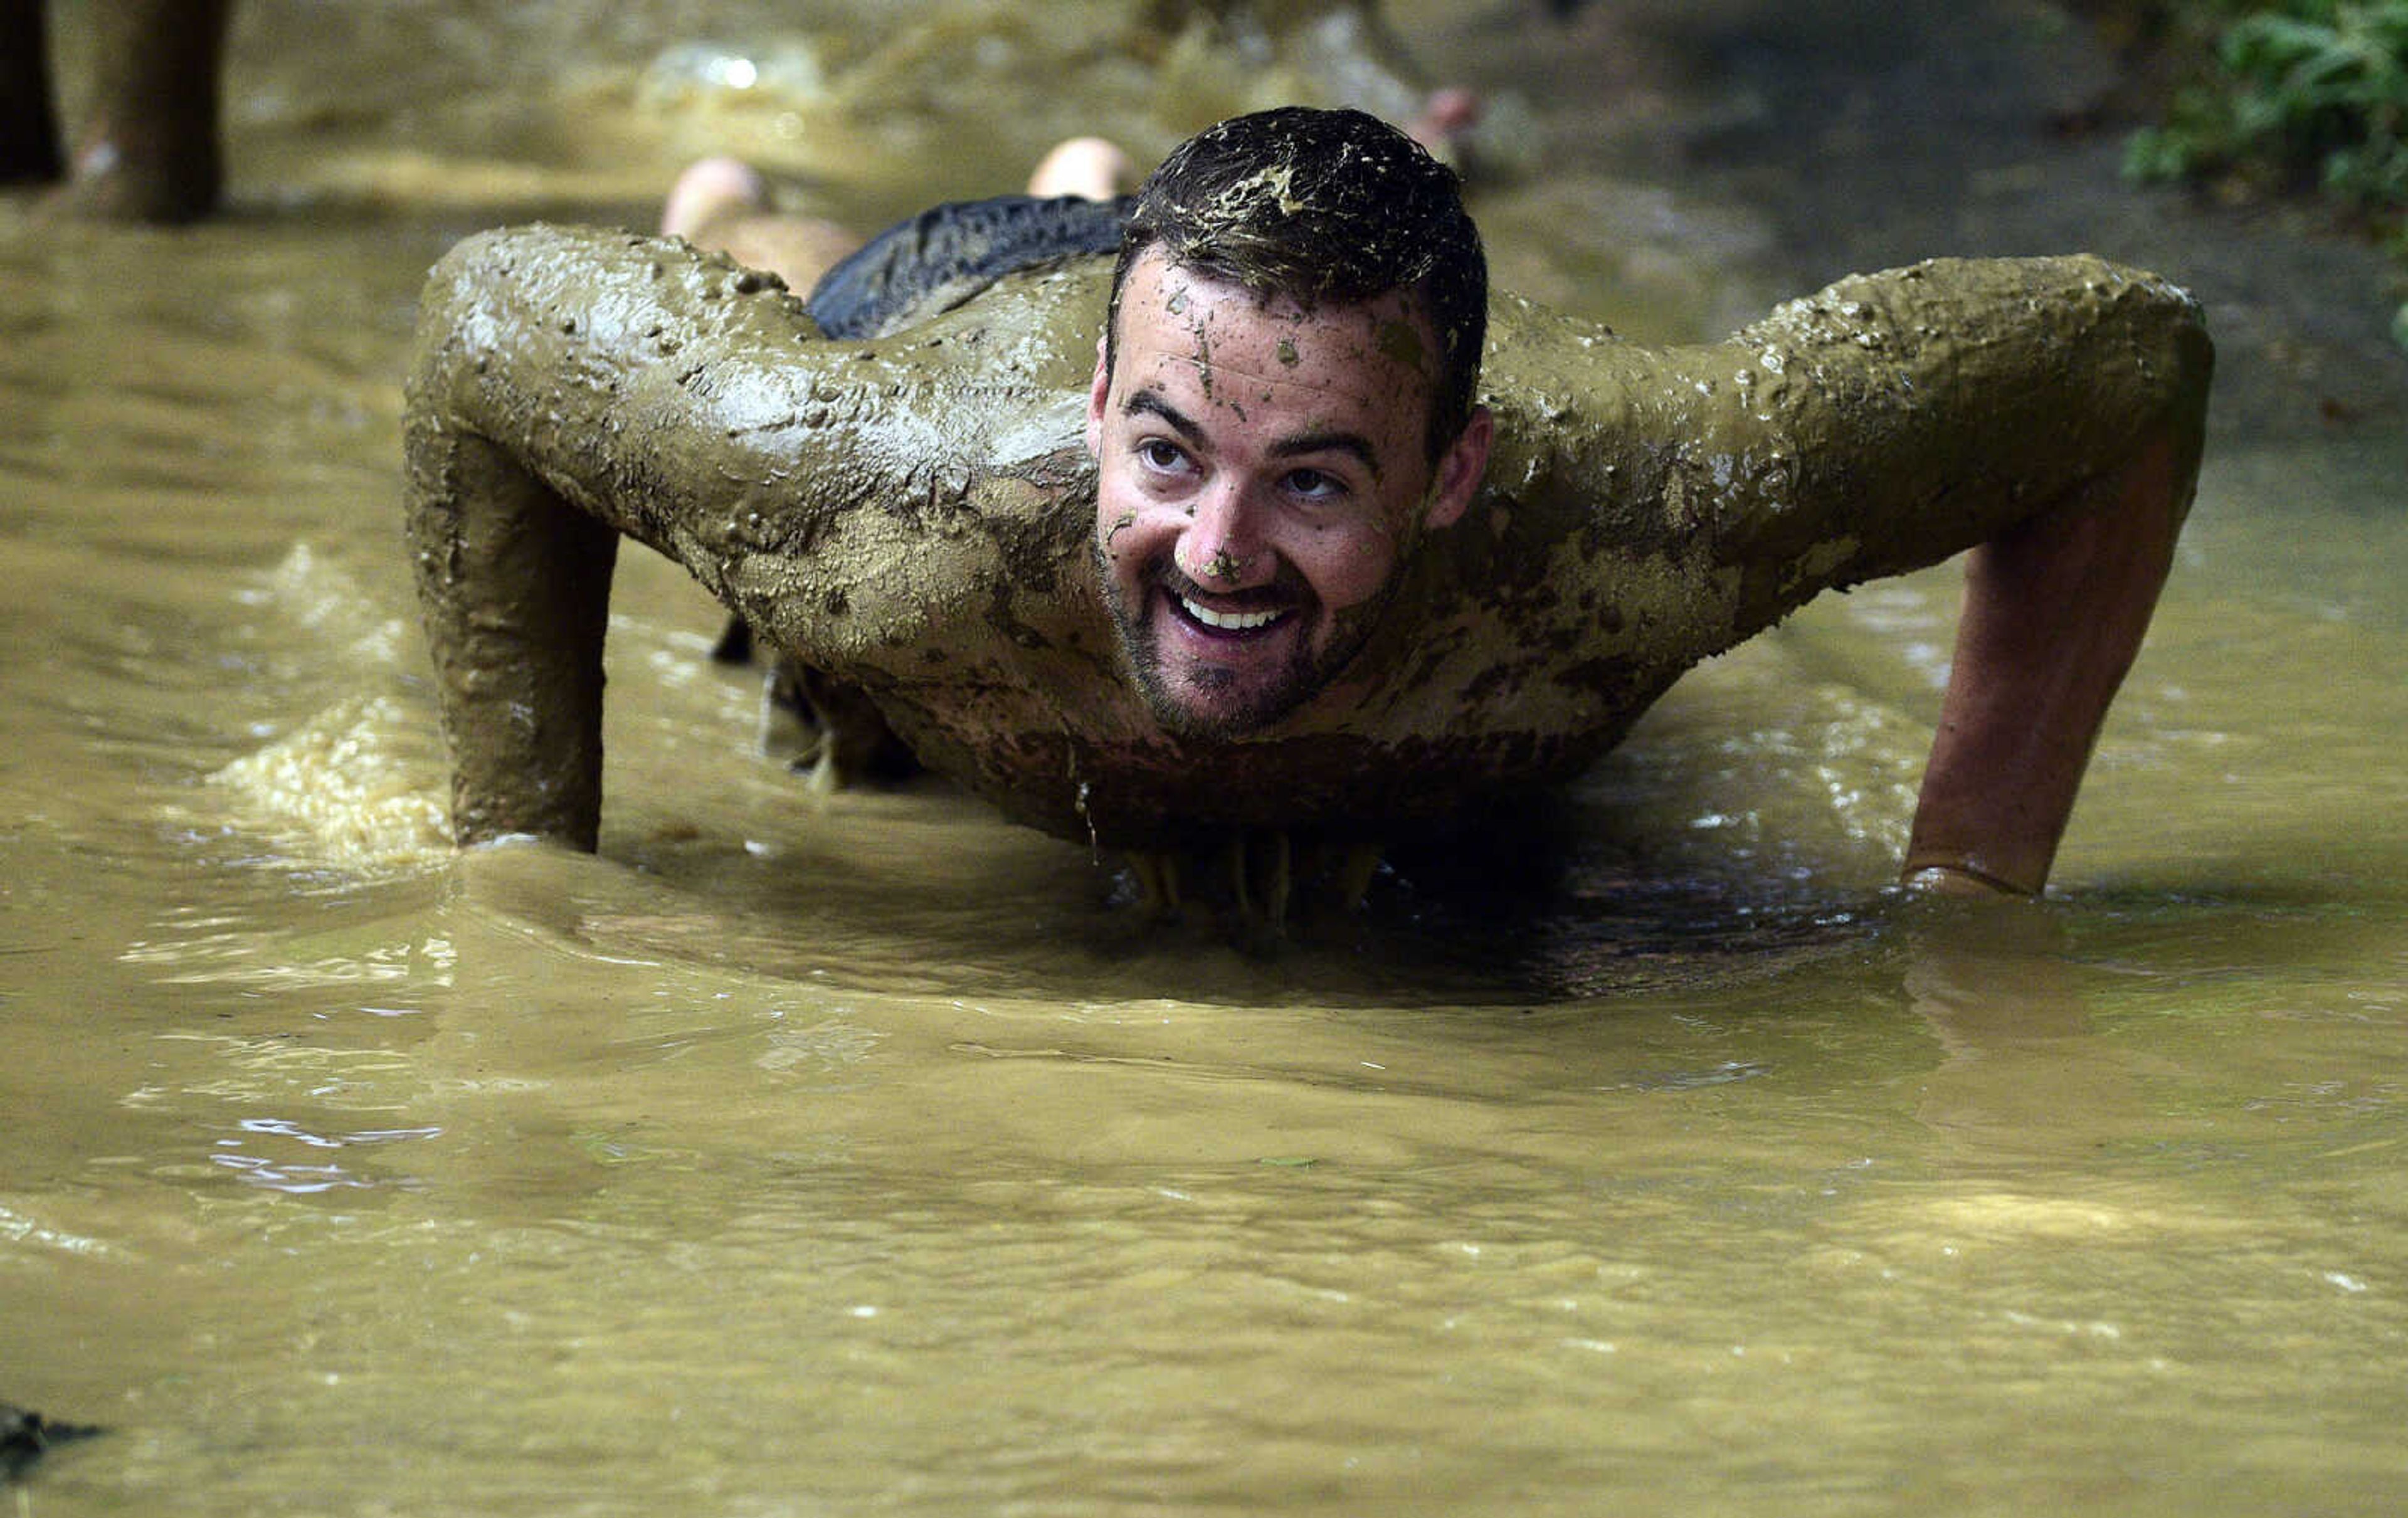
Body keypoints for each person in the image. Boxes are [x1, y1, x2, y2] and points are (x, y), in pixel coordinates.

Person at [403, 107, 2211, 921]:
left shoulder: (1661, 506)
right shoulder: (877, 487)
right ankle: (782, 194)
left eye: (1322, 485)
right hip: (940, 328)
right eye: (1172, 463)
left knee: (1169, 294)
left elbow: (2125, 369)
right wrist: (517, 855)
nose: (1222, 558)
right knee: (776, 260)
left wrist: (1972, 891)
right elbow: (489, 323)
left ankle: (1096, 181)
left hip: (1192, 320)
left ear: (1456, 479)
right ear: (1109, 418)